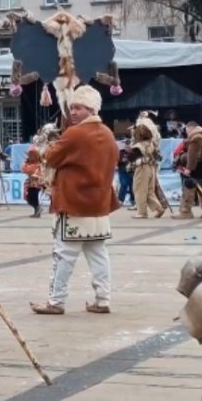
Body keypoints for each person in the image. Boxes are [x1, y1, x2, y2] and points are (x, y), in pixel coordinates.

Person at [30, 86, 119, 315]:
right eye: (72, 108)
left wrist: (46, 147)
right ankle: (103, 300)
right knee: (98, 254)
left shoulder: (75, 133)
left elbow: (51, 157)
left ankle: (56, 301)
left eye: (78, 107)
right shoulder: (108, 134)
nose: (73, 112)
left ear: (91, 108)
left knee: (64, 255)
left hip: (73, 203)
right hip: (99, 204)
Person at [126, 115, 165, 219]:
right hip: (152, 168)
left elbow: (130, 158)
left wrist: (128, 150)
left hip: (142, 168)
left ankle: (141, 212)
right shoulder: (152, 144)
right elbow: (158, 156)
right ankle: (159, 207)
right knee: (150, 191)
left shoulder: (138, 146)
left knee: (139, 190)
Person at [22, 146, 43, 218]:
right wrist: (26, 162)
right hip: (30, 182)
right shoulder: (29, 163)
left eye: (32, 154)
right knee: (29, 197)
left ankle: (37, 209)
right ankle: (37, 209)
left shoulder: (40, 164)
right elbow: (24, 170)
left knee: (33, 197)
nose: (30, 156)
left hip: (36, 182)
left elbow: (35, 172)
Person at [117, 139, 136, 209]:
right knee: (124, 184)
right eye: (126, 147)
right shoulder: (121, 152)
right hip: (123, 170)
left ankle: (133, 200)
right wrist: (121, 160)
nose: (127, 148)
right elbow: (117, 161)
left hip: (132, 171)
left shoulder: (134, 153)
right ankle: (120, 200)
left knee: (132, 186)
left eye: (129, 147)